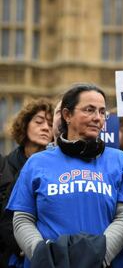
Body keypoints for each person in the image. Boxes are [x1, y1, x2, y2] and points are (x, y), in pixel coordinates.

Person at [6, 83, 123, 267]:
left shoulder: (120, 161)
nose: (98, 118)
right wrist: (42, 255)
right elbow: (23, 218)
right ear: (67, 115)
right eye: (90, 110)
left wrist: (99, 255)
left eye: (102, 112)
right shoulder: (36, 162)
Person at [0, 98, 53, 268]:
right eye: (39, 122)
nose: (45, 127)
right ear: (24, 125)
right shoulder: (5, 166)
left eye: (51, 124)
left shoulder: (56, 170)